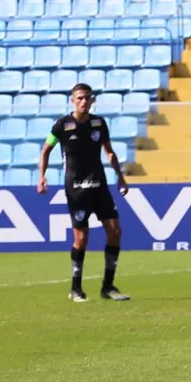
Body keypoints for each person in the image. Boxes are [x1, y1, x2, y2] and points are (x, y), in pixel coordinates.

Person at [37, 83, 129, 303]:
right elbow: (46, 149)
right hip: (76, 188)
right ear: (72, 100)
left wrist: (121, 176)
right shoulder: (62, 125)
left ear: (92, 100)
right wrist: (42, 176)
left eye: (87, 98)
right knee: (82, 238)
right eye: (79, 98)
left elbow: (109, 152)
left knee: (115, 231)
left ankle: (108, 287)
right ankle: (75, 288)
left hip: (99, 185)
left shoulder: (99, 124)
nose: (84, 101)